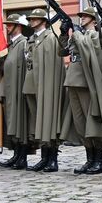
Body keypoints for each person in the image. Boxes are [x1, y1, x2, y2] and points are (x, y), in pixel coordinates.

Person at [59, 8, 102, 174]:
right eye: (81, 16)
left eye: (86, 17)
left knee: (92, 123)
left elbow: (86, 46)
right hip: (73, 79)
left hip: (86, 82)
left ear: (95, 21)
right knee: (80, 123)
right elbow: (63, 50)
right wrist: (64, 34)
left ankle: (98, 160)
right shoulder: (80, 34)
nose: (82, 18)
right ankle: (89, 158)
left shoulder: (96, 35)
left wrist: (75, 33)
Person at [22, 9, 66, 173]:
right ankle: (43, 157)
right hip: (31, 82)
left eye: (35, 19)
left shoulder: (51, 37)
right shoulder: (31, 39)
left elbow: (55, 63)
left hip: (46, 83)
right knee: (37, 121)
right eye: (31, 18)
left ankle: (52, 159)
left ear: (43, 21)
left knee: (48, 119)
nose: (32, 21)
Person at [0, 14, 32, 169]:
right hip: (10, 89)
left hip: (19, 89)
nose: (7, 27)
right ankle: (16, 154)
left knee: (20, 123)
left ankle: (22, 157)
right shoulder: (11, 45)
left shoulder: (24, 43)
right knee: (12, 123)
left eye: (10, 25)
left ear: (18, 26)